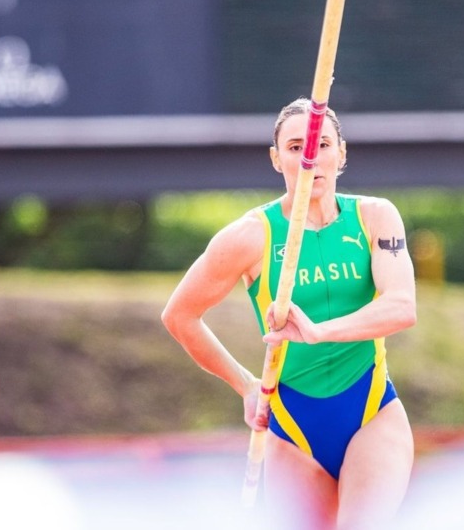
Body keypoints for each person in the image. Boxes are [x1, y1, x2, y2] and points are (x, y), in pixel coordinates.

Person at [161, 97, 417, 529]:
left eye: (322, 144)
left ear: (342, 153)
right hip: (292, 430)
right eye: (296, 147)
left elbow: (401, 306)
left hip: (371, 412)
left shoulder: (375, 217)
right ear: (276, 159)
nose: (310, 157)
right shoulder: (249, 237)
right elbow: (180, 316)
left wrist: (319, 332)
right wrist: (244, 385)